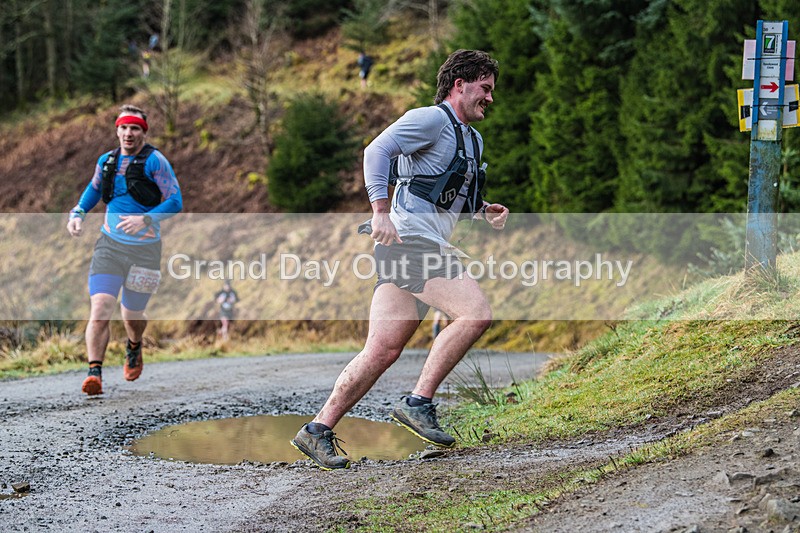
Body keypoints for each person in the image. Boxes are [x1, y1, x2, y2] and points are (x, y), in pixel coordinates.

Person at [291, 49, 509, 470]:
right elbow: (376, 151)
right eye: (485, 89)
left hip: (418, 243)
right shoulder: (430, 119)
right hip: (408, 240)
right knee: (475, 313)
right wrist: (379, 211)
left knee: (383, 349)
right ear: (459, 85)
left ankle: (317, 430)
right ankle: (418, 402)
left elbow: (448, 196)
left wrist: (483, 211)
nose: (490, 98)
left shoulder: (473, 139)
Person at [67, 104, 183, 396]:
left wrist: (146, 217)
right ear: (117, 130)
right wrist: (78, 212)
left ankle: (134, 346)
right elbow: (94, 189)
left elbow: (175, 201)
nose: (128, 133)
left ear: (143, 132)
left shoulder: (155, 162)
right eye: (124, 127)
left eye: (135, 128)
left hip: (145, 251)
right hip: (109, 246)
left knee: (132, 315)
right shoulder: (106, 161)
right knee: (101, 307)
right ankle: (95, 372)